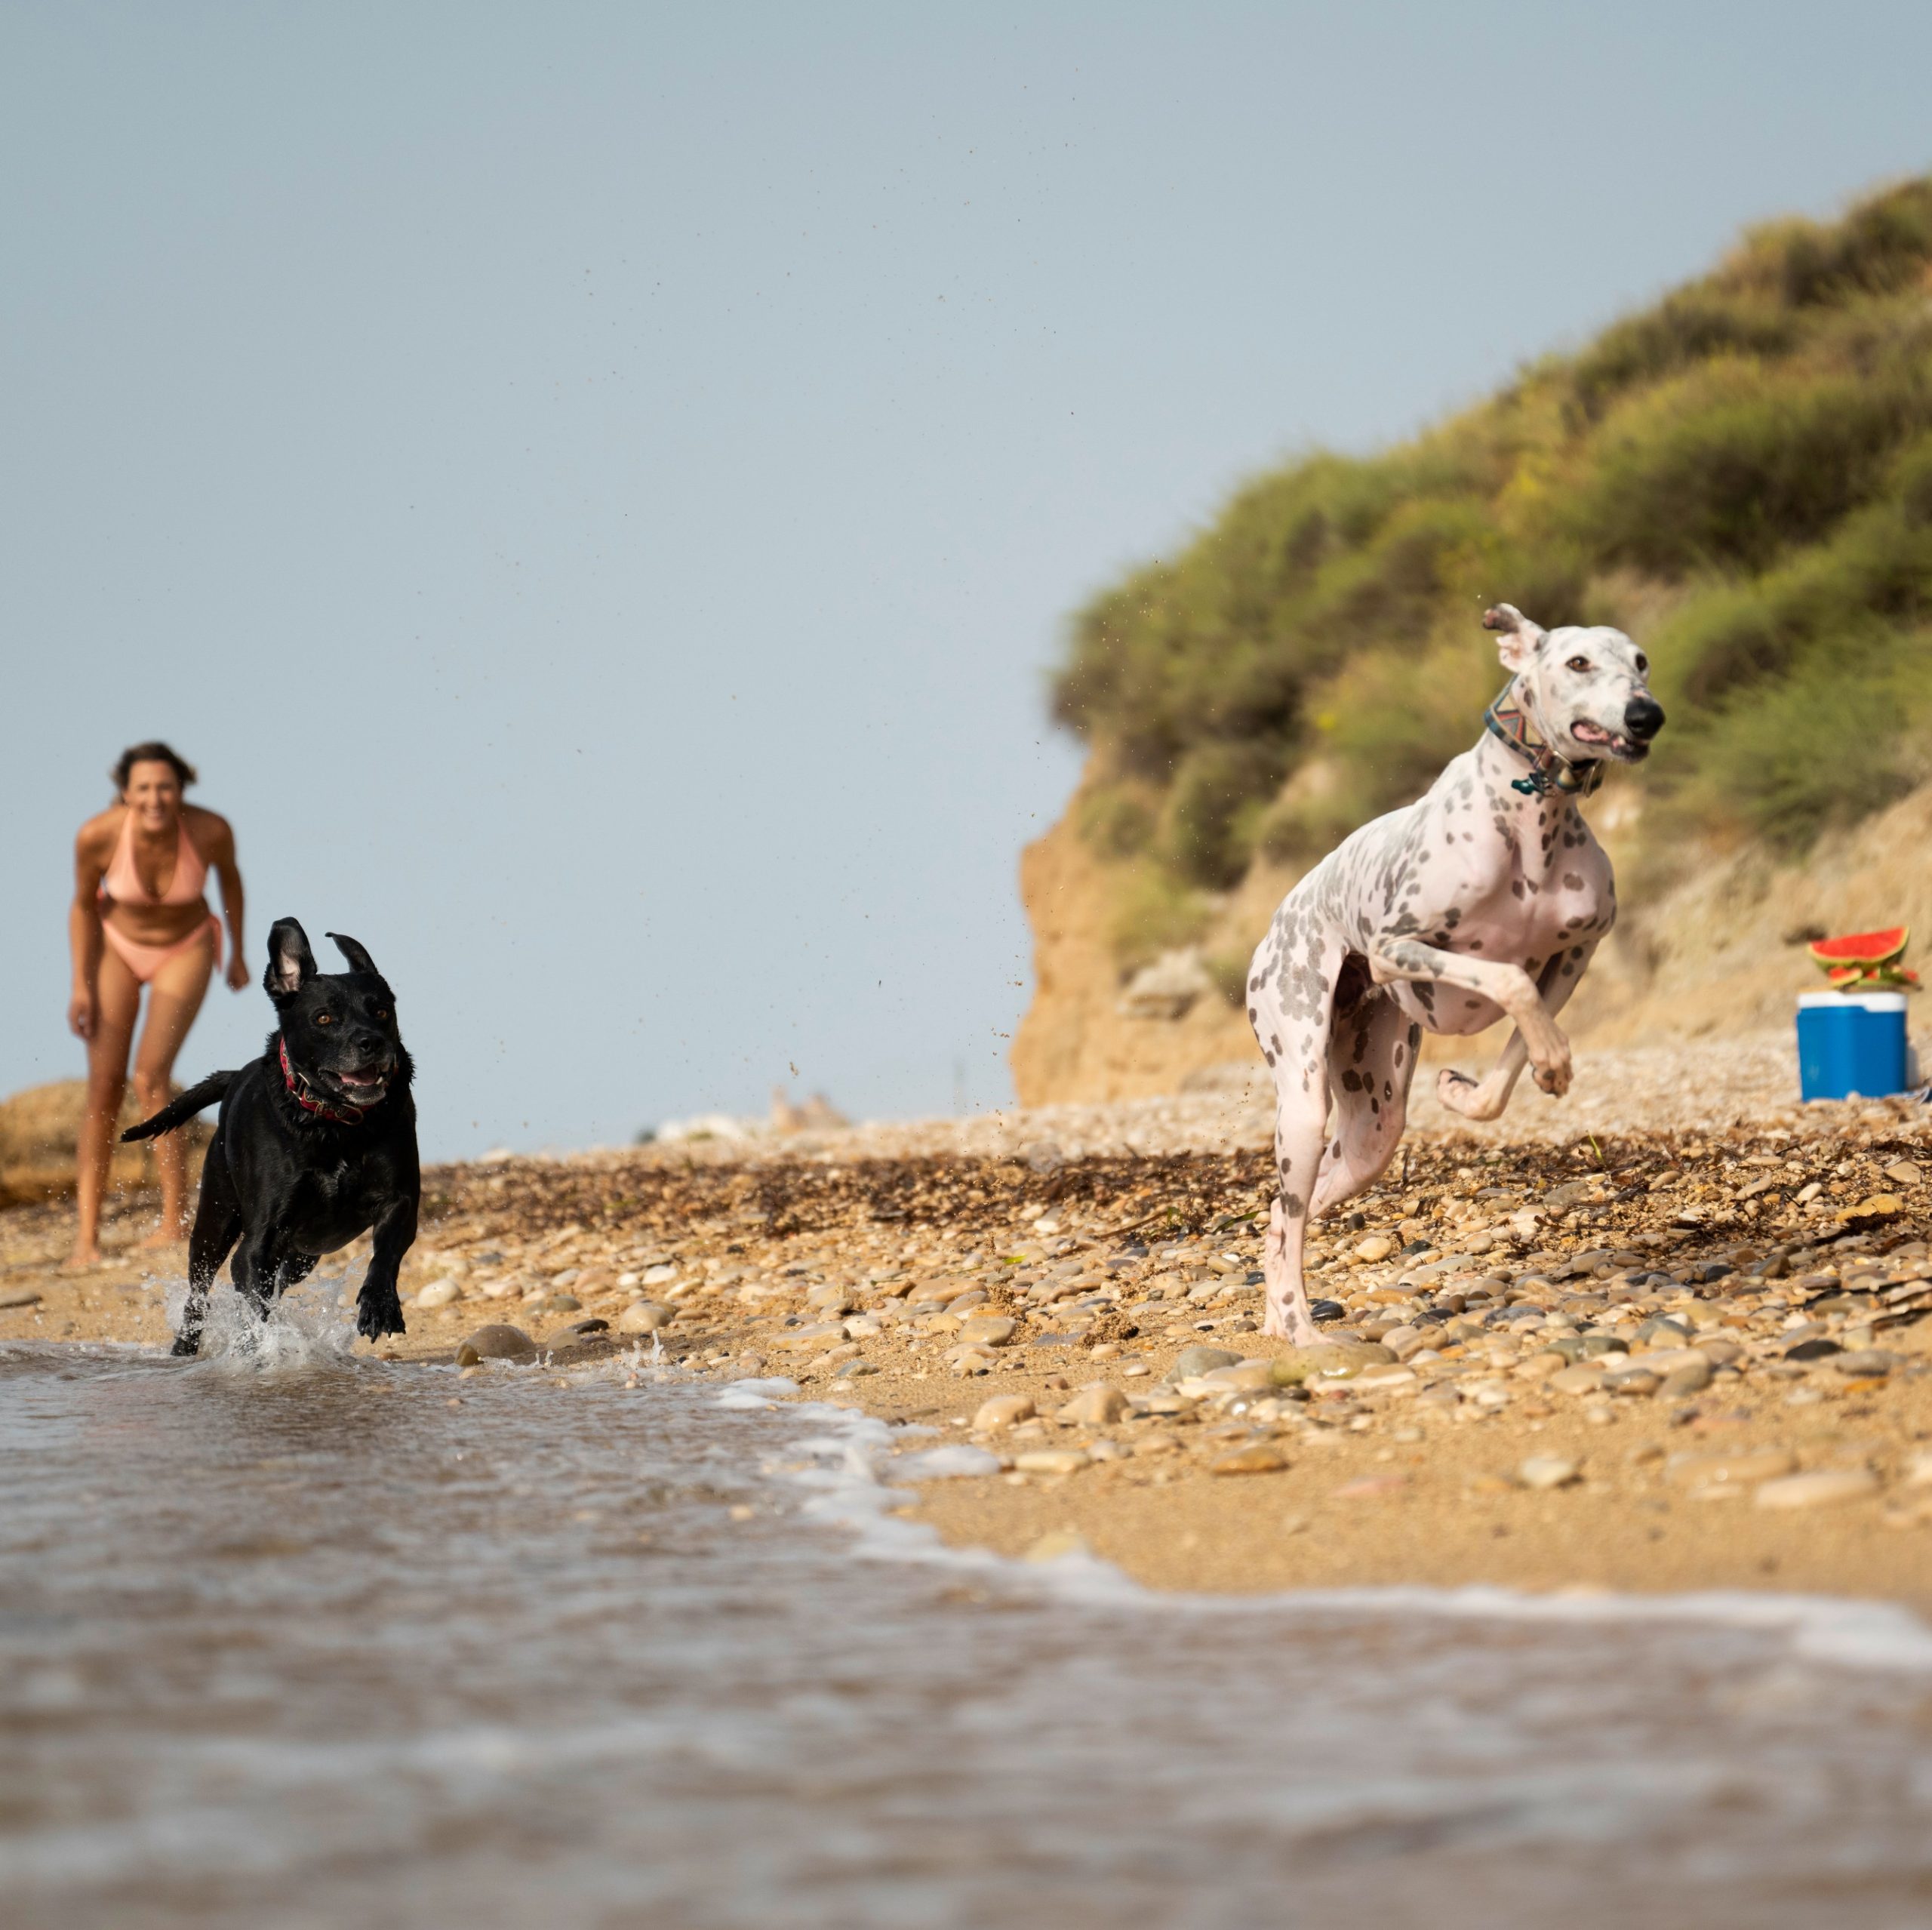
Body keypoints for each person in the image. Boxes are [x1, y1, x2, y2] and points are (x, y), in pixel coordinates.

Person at [66, 743, 248, 1268]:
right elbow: (82, 906)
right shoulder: (97, 835)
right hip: (116, 948)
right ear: (126, 791)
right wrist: (80, 983)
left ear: (181, 787)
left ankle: (174, 1222)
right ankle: (86, 1241)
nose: (155, 797)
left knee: (151, 1077)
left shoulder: (211, 830)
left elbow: (231, 879)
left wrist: (236, 950)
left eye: (165, 786)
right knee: (104, 1084)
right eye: (143, 787)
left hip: (185, 946)